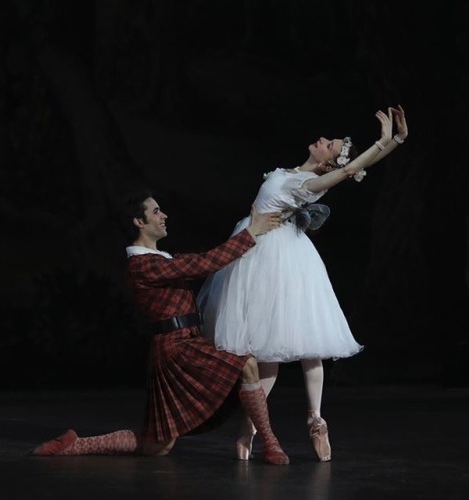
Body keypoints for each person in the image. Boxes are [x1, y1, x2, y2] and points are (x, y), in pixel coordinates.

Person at [197, 105, 408, 462]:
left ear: (329, 163)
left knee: (307, 341)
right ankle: (252, 425)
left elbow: (351, 169)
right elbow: (350, 168)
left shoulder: (310, 184)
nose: (323, 140)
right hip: (258, 252)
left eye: (330, 144)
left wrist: (389, 141)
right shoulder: (291, 172)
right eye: (329, 139)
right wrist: (394, 140)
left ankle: (315, 418)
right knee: (267, 353)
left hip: (282, 258)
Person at [32, 189, 291, 465]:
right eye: (156, 211)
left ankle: (75, 445)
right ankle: (269, 443)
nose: (164, 215)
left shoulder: (162, 259)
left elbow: (201, 262)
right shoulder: (141, 265)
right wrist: (251, 232)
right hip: (175, 348)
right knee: (245, 365)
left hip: (186, 341)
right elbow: (203, 263)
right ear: (139, 222)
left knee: (157, 447)